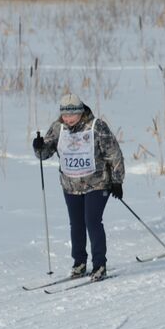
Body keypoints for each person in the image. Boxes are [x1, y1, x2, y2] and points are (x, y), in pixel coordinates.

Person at [31, 94, 125, 281]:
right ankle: (79, 263)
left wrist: (117, 180)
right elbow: (45, 154)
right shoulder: (58, 128)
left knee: (92, 221)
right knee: (77, 225)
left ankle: (99, 265)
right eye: (65, 115)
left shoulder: (97, 126)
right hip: (70, 185)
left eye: (72, 115)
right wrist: (39, 147)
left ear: (80, 112)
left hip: (97, 183)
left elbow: (114, 153)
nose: (68, 119)